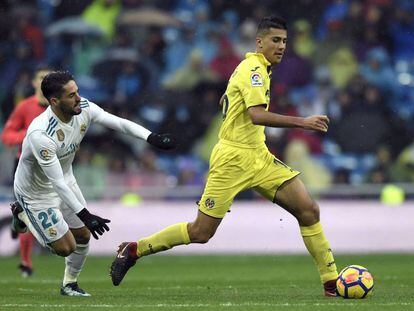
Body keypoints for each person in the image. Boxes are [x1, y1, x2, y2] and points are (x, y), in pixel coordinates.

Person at [110, 15, 339, 297]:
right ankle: (133, 250)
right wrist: (303, 122)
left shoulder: (255, 68)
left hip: (259, 156)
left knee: (309, 210)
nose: (281, 46)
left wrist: (229, 100)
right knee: (200, 233)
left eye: (284, 41)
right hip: (232, 160)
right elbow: (256, 115)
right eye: (275, 40)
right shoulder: (254, 69)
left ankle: (331, 282)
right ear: (259, 42)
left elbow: (234, 98)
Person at [11, 70, 177, 296]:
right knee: (65, 247)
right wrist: (86, 215)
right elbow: (56, 182)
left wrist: (151, 137)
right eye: (71, 95)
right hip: (35, 193)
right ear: (54, 101)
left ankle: (69, 284)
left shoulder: (84, 108)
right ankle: (22, 213)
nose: (78, 98)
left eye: (77, 91)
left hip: (65, 179)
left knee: (83, 237)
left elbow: (118, 123)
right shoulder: (41, 134)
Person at [1, 65, 53, 277]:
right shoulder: (24, 107)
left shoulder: (58, 107)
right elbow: (7, 136)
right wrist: (26, 136)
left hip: (51, 167)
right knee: (27, 213)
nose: (43, 82)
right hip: (24, 166)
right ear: (34, 82)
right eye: (41, 78)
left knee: (40, 213)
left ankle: (20, 223)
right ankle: (25, 261)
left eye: (48, 79)